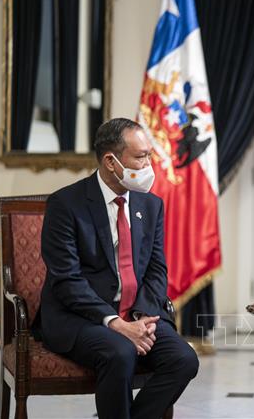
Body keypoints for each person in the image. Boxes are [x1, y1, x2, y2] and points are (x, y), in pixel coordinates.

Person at [35, 118, 199, 418]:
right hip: (80, 317)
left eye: (149, 155)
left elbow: (156, 269)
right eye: (141, 157)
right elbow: (67, 280)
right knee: (120, 352)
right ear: (111, 162)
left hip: (136, 312)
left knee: (184, 359)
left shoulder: (150, 205)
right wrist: (115, 323)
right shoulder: (66, 204)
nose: (149, 165)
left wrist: (142, 317)